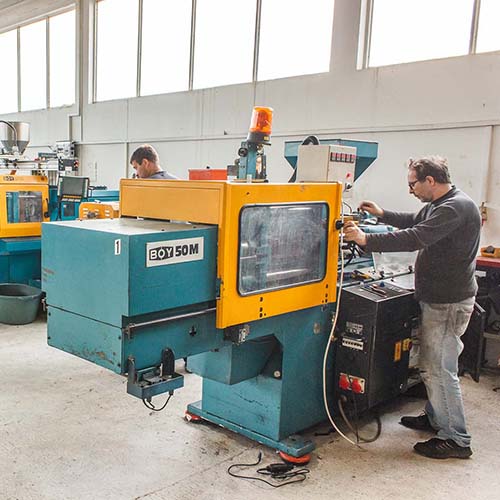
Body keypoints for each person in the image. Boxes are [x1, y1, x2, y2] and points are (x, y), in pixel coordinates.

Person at [343, 156, 481, 460]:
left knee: (438, 370)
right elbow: (415, 220)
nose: (410, 190)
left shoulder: (455, 207)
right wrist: (382, 215)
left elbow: (416, 236)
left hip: (447, 303)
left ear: (429, 180)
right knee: (436, 365)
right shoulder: (441, 204)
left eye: (412, 184)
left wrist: (366, 239)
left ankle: (456, 439)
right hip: (439, 298)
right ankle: (435, 418)